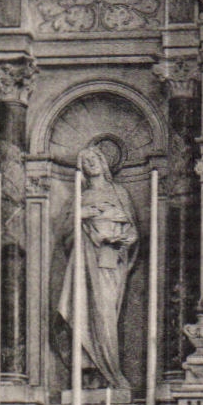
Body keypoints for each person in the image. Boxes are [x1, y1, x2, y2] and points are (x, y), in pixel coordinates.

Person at [57, 145, 139, 388]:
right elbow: (64, 234)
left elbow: (133, 230)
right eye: (85, 160)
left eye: (94, 158)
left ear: (103, 163)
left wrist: (124, 239)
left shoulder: (119, 192)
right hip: (84, 263)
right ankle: (89, 370)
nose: (91, 162)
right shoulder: (79, 198)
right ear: (81, 168)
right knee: (83, 310)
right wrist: (81, 214)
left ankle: (110, 369)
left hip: (110, 263)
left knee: (105, 313)